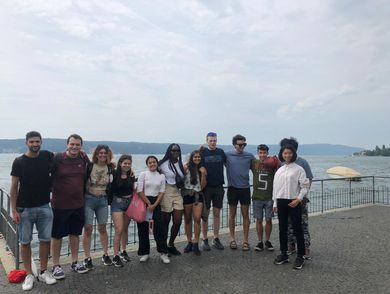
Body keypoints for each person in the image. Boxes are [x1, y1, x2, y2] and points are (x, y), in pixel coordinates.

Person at [10, 131, 57, 291]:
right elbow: (14, 186)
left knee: (45, 240)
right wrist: (14, 210)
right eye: (32, 142)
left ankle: (43, 271)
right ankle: (29, 274)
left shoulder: (46, 156)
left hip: (44, 205)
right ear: (26, 143)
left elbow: (65, 157)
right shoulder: (19, 162)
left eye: (37, 141)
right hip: (25, 208)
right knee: (25, 242)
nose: (35, 144)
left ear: (41, 142)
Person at [51, 134, 89, 279]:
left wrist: (111, 164)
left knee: (75, 234)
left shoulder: (83, 158)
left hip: (78, 204)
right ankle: (56, 266)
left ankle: (75, 262)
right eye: (72, 144)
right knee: (57, 235)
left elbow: (93, 169)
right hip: (59, 205)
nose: (74, 147)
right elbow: (46, 173)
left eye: (77, 144)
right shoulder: (58, 158)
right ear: (67, 144)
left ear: (81, 146)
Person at [272, 144, 310, 270]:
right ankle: (284, 254)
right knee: (282, 229)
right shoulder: (279, 170)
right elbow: (275, 189)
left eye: (289, 153)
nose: (287, 155)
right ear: (281, 155)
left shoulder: (299, 169)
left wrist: (298, 199)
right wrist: (275, 203)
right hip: (281, 202)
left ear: (293, 154)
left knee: (297, 228)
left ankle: (301, 255)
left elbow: (305, 186)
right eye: (284, 153)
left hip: (294, 201)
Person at [280, 137, 313, 259]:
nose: (287, 153)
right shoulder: (282, 162)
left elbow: (308, 180)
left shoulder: (302, 162)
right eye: (284, 150)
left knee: (302, 224)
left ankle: (305, 248)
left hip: (300, 200)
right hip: (285, 199)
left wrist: (301, 196)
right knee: (288, 224)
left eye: (290, 150)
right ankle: (291, 245)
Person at [82, 145, 114, 270]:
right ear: (96, 154)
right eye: (100, 153)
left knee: (102, 227)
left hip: (103, 200)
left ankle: (105, 254)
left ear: (108, 154)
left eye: (105, 153)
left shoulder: (110, 167)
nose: (102, 155)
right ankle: (87, 257)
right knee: (88, 228)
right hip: (89, 199)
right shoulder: (89, 166)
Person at [136, 156, 169, 263]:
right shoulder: (143, 174)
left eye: (154, 162)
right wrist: (148, 203)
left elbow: (162, 192)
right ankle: (145, 252)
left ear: (157, 163)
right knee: (143, 229)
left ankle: (163, 252)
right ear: (147, 164)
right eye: (150, 162)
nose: (152, 164)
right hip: (144, 202)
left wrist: (154, 205)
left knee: (159, 228)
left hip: (156, 203)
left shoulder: (161, 176)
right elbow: (139, 191)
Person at [225, 134, 255, 251]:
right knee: (231, 215)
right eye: (240, 144)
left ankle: (246, 241)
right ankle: (232, 239)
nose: (242, 146)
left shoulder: (249, 156)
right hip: (232, 188)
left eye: (244, 144)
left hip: (245, 189)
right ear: (234, 145)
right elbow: (215, 161)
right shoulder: (227, 155)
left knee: (245, 215)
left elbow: (258, 169)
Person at [200, 132, 226, 251]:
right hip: (206, 188)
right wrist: (200, 168)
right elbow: (194, 161)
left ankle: (215, 238)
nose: (213, 142)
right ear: (206, 141)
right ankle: (204, 239)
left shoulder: (221, 152)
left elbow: (228, 164)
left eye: (214, 140)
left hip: (219, 187)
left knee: (217, 213)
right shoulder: (202, 152)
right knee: (205, 214)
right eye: (210, 140)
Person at [251, 144, 280, 252]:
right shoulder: (254, 163)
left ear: (267, 153)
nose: (262, 155)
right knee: (258, 220)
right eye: (260, 152)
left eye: (264, 153)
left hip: (269, 197)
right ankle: (259, 242)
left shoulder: (272, 163)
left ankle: (267, 240)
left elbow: (280, 166)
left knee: (268, 220)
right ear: (257, 153)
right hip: (257, 197)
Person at [158, 144, 185, 256]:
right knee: (165, 222)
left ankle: (171, 244)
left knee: (178, 221)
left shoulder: (180, 163)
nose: (176, 152)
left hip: (177, 192)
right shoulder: (162, 164)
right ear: (169, 151)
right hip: (167, 191)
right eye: (173, 150)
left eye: (178, 150)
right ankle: (164, 247)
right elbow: (152, 172)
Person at [110, 154, 135, 267]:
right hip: (117, 203)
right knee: (119, 229)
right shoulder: (114, 174)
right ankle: (115, 255)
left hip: (129, 203)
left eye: (129, 163)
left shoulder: (131, 175)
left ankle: (123, 251)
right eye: (125, 163)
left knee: (125, 228)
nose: (127, 165)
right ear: (120, 163)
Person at [182, 150, 207, 256]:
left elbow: (203, 186)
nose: (197, 159)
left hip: (198, 195)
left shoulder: (202, 168)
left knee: (197, 219)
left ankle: (196, 242)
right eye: (195, 157)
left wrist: (204, 174)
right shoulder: (186, 167)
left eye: (199, 157)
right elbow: (180, 180)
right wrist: (184, 170)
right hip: (187, 194)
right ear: (191, 157)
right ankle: (189, 242)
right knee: (187, 219)